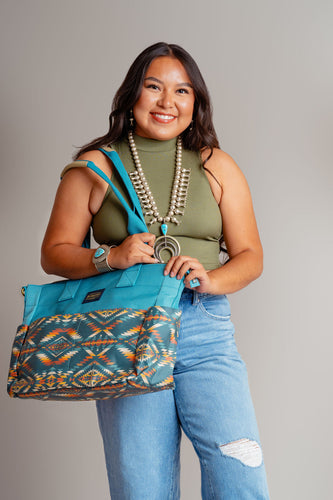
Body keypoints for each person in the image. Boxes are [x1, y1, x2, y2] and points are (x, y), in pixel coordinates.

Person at [41, 42, 270, 499]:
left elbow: (250, 256)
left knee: (239, 472)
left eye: (182, 91)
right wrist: (111, 257)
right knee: (141, 487)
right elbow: (54, 252)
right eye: (154, 87)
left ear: (195, 102)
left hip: (204, 329)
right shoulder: (95, 166)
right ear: (132, 95)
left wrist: (211, 280)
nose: (168, 102)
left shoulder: (216, 165)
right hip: (124, 331)